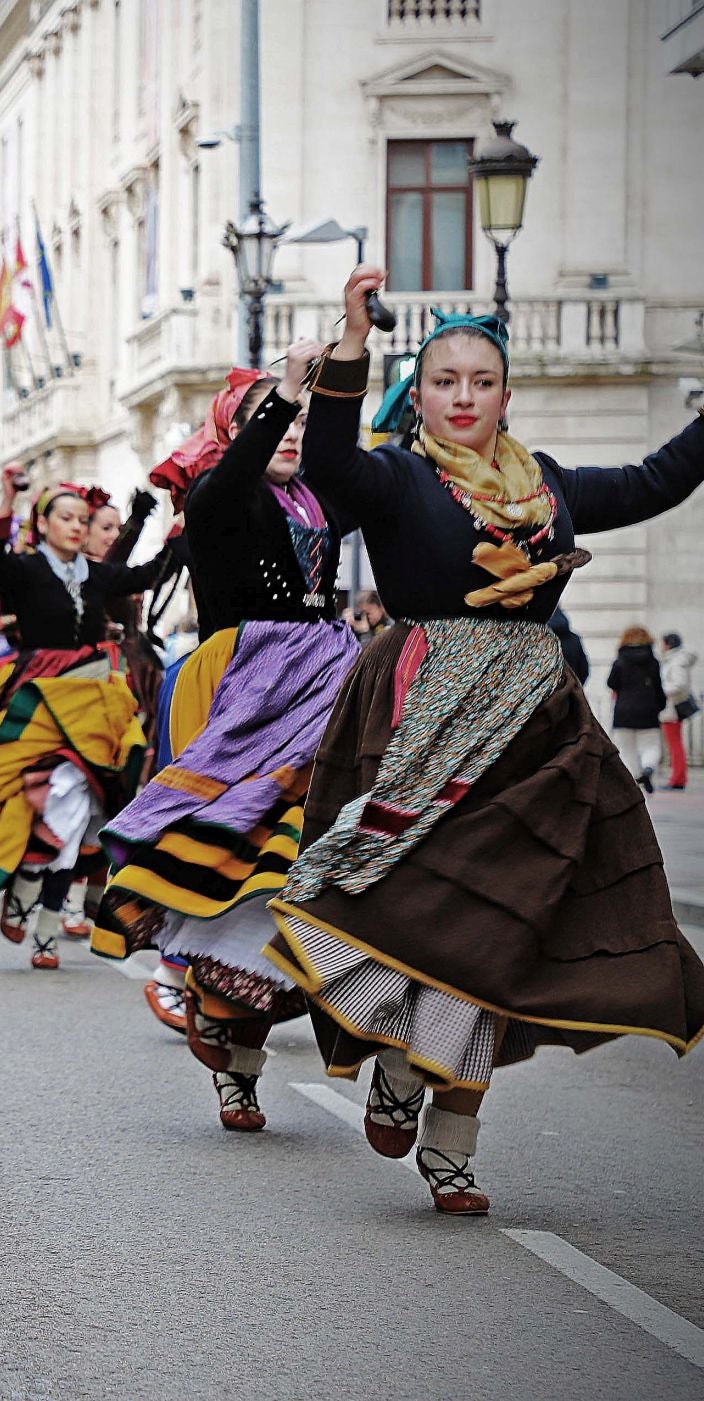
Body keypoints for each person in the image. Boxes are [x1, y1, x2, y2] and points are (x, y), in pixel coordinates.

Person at [264, 267, 704, 1215]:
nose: (464, 397)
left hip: (534, 730)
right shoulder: (395, 476)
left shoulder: (550, 487)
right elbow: (332, 468)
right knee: (406, 907)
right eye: (445, 381)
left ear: (508, 393)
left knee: (503, 925)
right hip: (417, 716)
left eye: (481, 381)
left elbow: (658, 480)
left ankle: (450, 1136)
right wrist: (350, 346)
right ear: (418, 394)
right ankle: (397, 1062)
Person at [94, 342, 361, 1133]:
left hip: (330, 678)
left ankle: (254, 1020)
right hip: (245, 684)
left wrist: (353, 366)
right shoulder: (217, 496)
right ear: (234, 432)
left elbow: (366, 474)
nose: (290, 432)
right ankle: (232, 1052)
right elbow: (235, 472)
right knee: (244, 854)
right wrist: (280, 389)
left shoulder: (318, 501)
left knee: (316, 858)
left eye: (299, 421)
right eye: (272, 420)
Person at [0, 470, 164, 970]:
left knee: (81, 813)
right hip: (39, 698)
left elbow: (144, 575)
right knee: (47, 801)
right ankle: (29, 896)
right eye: (67, 518)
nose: (77, 527)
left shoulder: (95, 574)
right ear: (44, 523)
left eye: (83, 519)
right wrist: (8, 497)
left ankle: (43, 919)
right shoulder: (26, 569)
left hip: (95, 701)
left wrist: (181, 533)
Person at [608, 625, 665, 794]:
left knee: (626, 749)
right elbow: (658, 688)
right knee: (651, 746)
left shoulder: (620, 661)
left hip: (623, 711)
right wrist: (659, 706)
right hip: (648, 710)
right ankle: (647, 769)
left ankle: (634, 779)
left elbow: (611, 683)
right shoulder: (653, 662)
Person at [660, 630, 695, 790]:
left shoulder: (676, 661)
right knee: (675, 744)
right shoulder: (676, 659)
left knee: (675, 744)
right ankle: (677, 777)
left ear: (668, 644)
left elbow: (679, 684)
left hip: (671, 708)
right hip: (671, 708)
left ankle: (678, 779)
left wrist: (661, 690)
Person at [549, 608, 589, 685]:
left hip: (549, 694)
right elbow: (584, 670)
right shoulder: (575, 639)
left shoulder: (543, 641)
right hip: (570, 692)